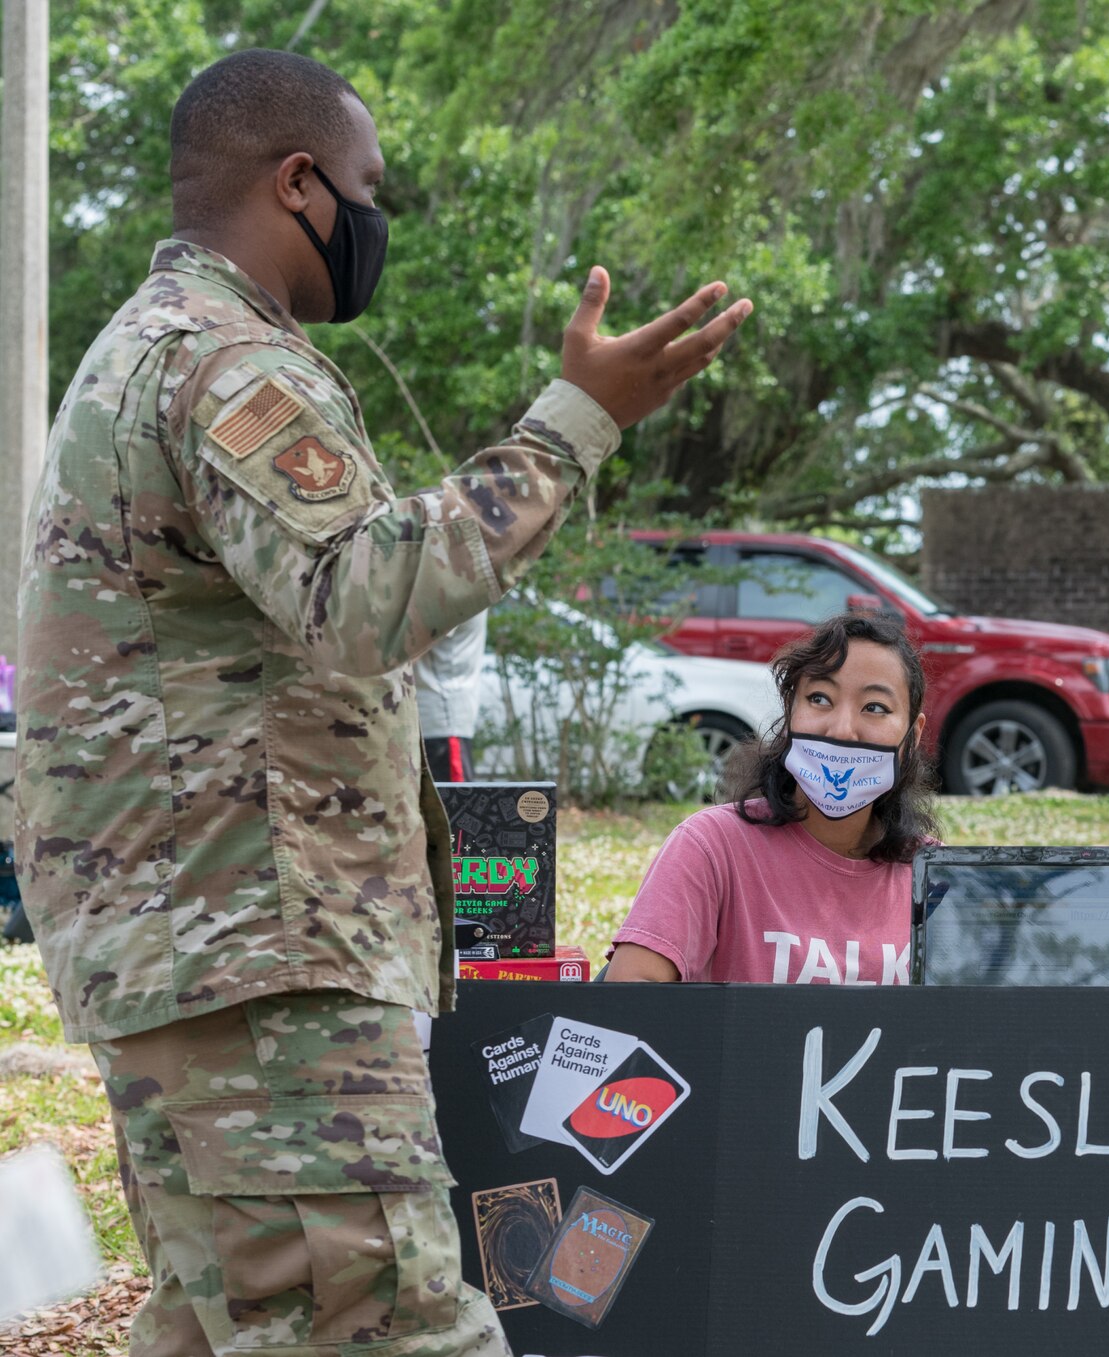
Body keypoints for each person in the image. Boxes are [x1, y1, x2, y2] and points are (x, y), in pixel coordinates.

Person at [15, 48, 750, 1357]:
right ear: (299, 185)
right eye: (369, 188)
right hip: (261, 961)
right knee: (392, 1328)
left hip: (192, 955)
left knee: (225, 1327)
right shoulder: (229, 360)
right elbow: (361, 594)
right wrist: (578, 421)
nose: (377, 220)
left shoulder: (148, 353)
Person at [604, 610, 936, 984]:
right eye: (820, 698)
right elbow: (629, 996)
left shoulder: (935, 875)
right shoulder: (712, 847)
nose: (842, 729)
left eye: (875, 707)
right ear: (791, 710)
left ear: (913, 734)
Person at [417, 611, 488, 782]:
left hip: (440, 721)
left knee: (450, 806)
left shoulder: (453, 587)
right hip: (433, 721)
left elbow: (401, 649)